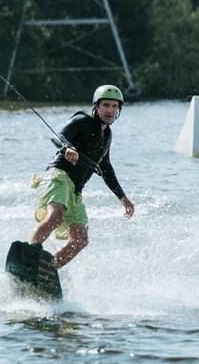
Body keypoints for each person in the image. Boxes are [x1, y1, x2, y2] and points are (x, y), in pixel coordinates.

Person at [28, 84, 135, 268]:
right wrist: (68, 147)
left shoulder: (107, 135)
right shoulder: (82, 121)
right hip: (59, 176)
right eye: (106, 105)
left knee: (80, 240)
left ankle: (47, 269)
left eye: (115, 106)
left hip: (76, 190)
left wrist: (122, 197)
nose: (110, 110)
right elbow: (58, 136)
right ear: (97, 106)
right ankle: (30, 254)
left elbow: (106, 168)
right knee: (56, 216)